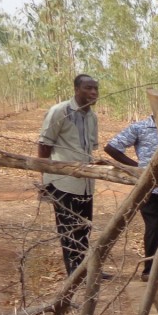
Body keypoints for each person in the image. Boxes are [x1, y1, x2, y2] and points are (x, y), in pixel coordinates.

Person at [105, 98, 158, 282]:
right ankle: (149, 270)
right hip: (149, 190)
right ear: (154, 108)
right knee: (154, 228)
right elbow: (111, 147)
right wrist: (138, 168)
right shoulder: (140, 127)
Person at [38, 74, 104, 277]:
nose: (93, 92)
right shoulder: (60, 112)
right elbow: (44, 145)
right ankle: (75, 274)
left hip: (86, 184)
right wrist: (46, 180)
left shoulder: (92, 117)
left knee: (84, 228)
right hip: (63, 182)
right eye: (88, 88)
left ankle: (84, 269)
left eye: (95, 88)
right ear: (76, 89)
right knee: (68, 230)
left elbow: (89, 149)